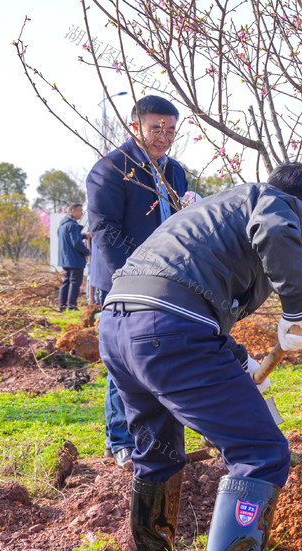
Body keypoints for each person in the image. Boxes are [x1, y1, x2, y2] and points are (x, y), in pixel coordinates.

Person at [97, 162, 302, 551]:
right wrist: (299, 309)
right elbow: (276, 230)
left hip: (120, 327)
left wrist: (238, 360)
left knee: (156, 451)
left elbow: (193, 289)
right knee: (261, 454)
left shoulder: (213, 210)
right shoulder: (273, 203)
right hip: (169, 330)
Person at [86, 95, 189, 468]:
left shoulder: (175, 171)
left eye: (171, 130)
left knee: (156, 355)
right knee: (123, 360)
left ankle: (155, 433)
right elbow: (104, 230)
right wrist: (130, 276)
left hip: (166, 281)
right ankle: (120, 439)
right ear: (135, 127)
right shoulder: (112, 169)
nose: (164, 137)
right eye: (156, 129)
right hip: (124, 281)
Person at [56, 203, 89, 311]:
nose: (82, 213)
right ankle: (72, 306)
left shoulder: (63, 225)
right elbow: (76, 243)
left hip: (65, 259)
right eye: (80, 210)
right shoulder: (73, 225)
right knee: (74, 282)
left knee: (66, 281)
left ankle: (62, 306)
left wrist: (84, 235)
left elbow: (69, 238)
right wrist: (87, 252)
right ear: (73, 211)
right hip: (74, 259)